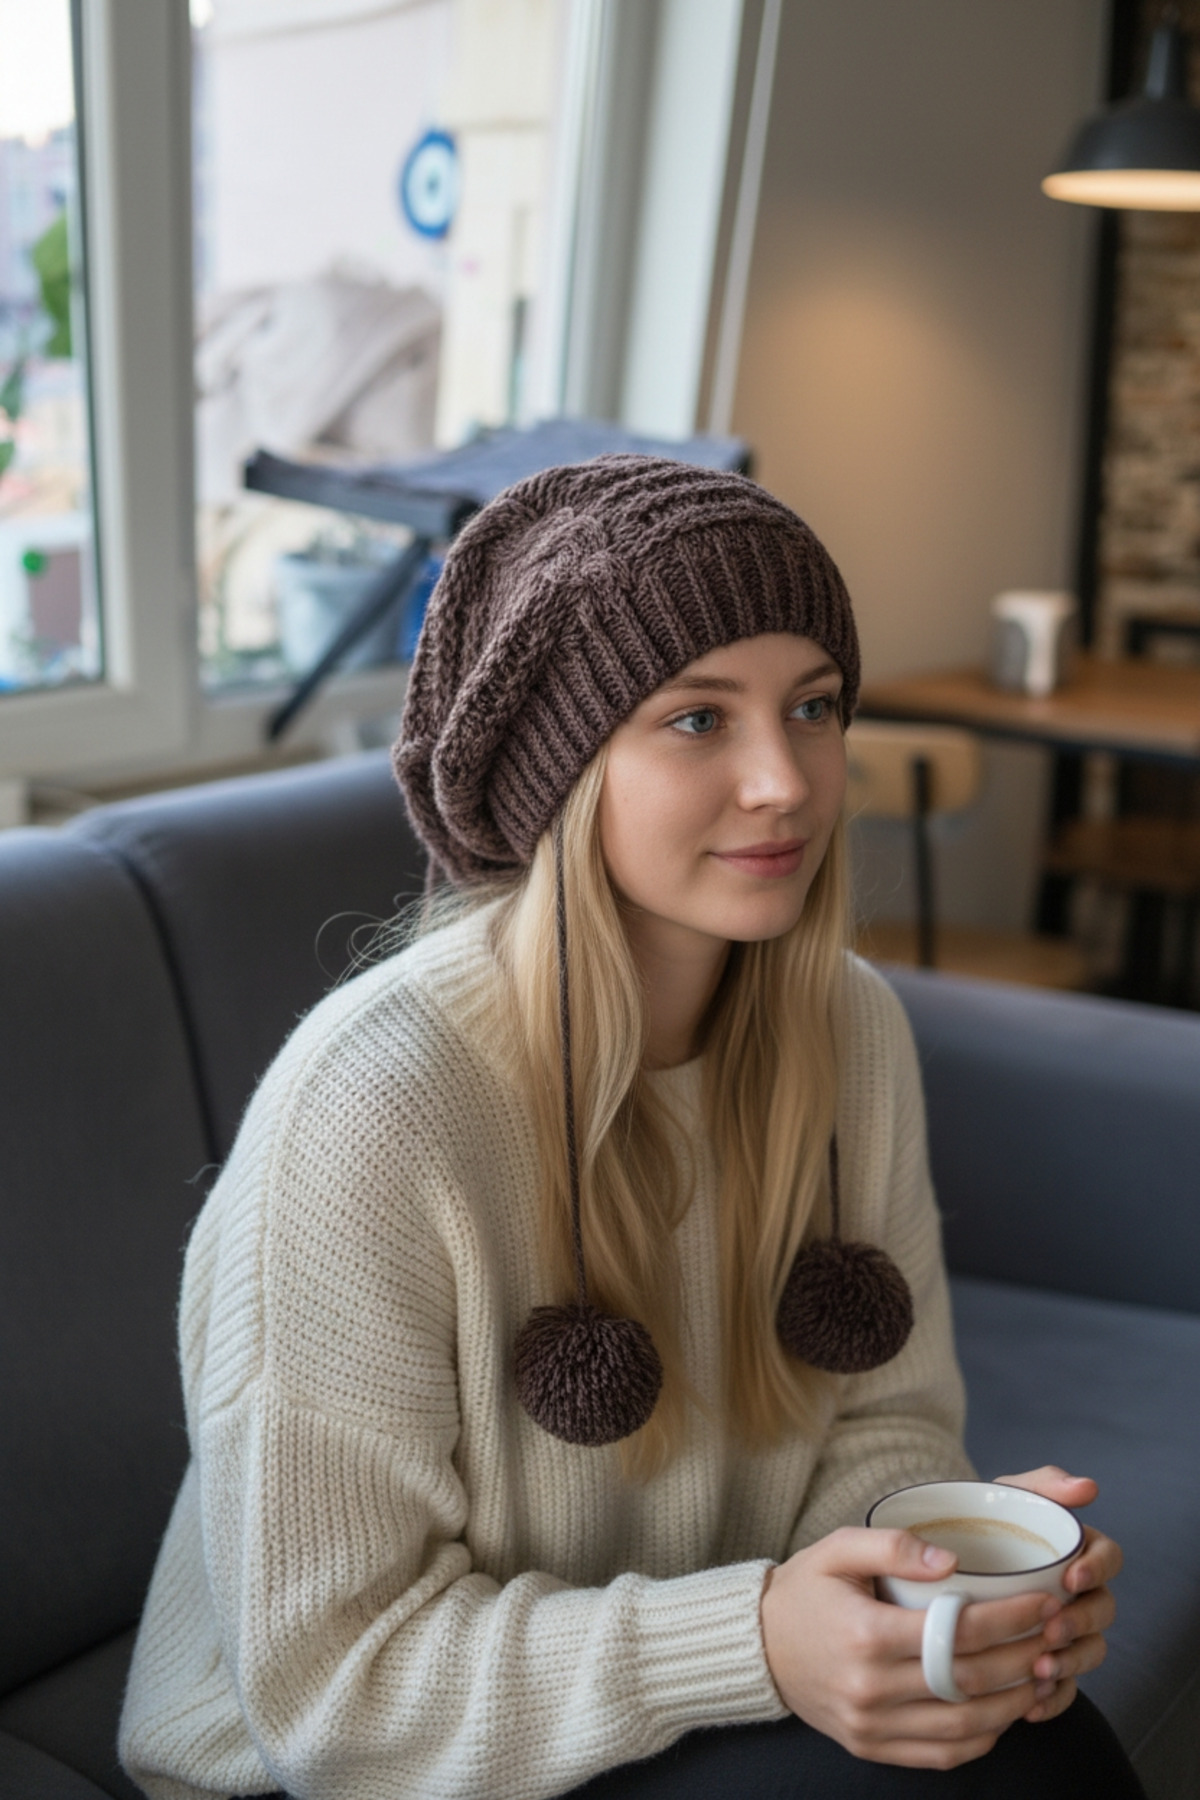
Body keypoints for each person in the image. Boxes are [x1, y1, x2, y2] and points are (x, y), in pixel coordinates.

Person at [119, 456, 1142, 1800]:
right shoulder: (373, 1111)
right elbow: (335, 1696)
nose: (784, 781)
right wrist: (756, 1640)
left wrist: (920, 1598)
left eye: (813, 707)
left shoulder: (849, 1033)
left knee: (1033, 1739)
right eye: (697, 719)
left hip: (663, 1694)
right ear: (559, 771)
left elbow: (888, 1419)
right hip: (346, 1766)